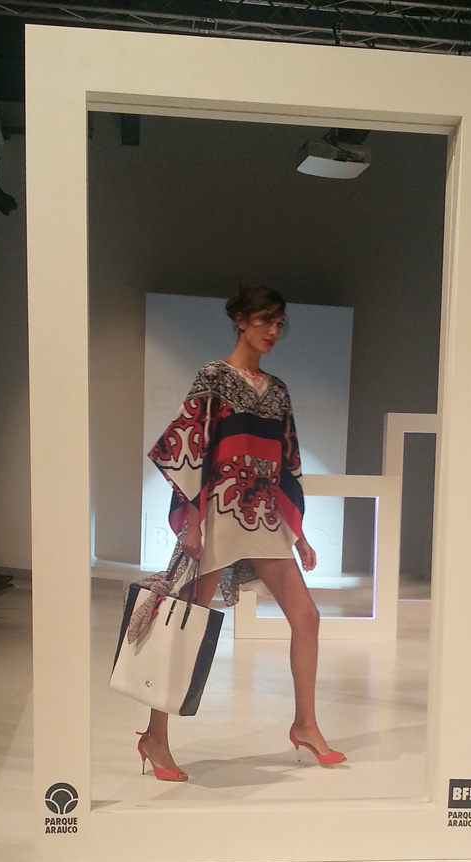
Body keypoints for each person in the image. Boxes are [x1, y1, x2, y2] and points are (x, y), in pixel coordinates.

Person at [139, 285, 346, 782]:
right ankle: (154, 736)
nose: (273, 331)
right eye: (265, 320)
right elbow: (188, 445)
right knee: (185, 626)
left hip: (264, 516)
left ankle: (305, 725)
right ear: (240, 319)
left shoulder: (278, 391)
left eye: (279, 323)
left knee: (307, 618)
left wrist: (299, 534)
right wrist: (192, 521)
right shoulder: (213, 377)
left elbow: (287, 463)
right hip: (219, 514)